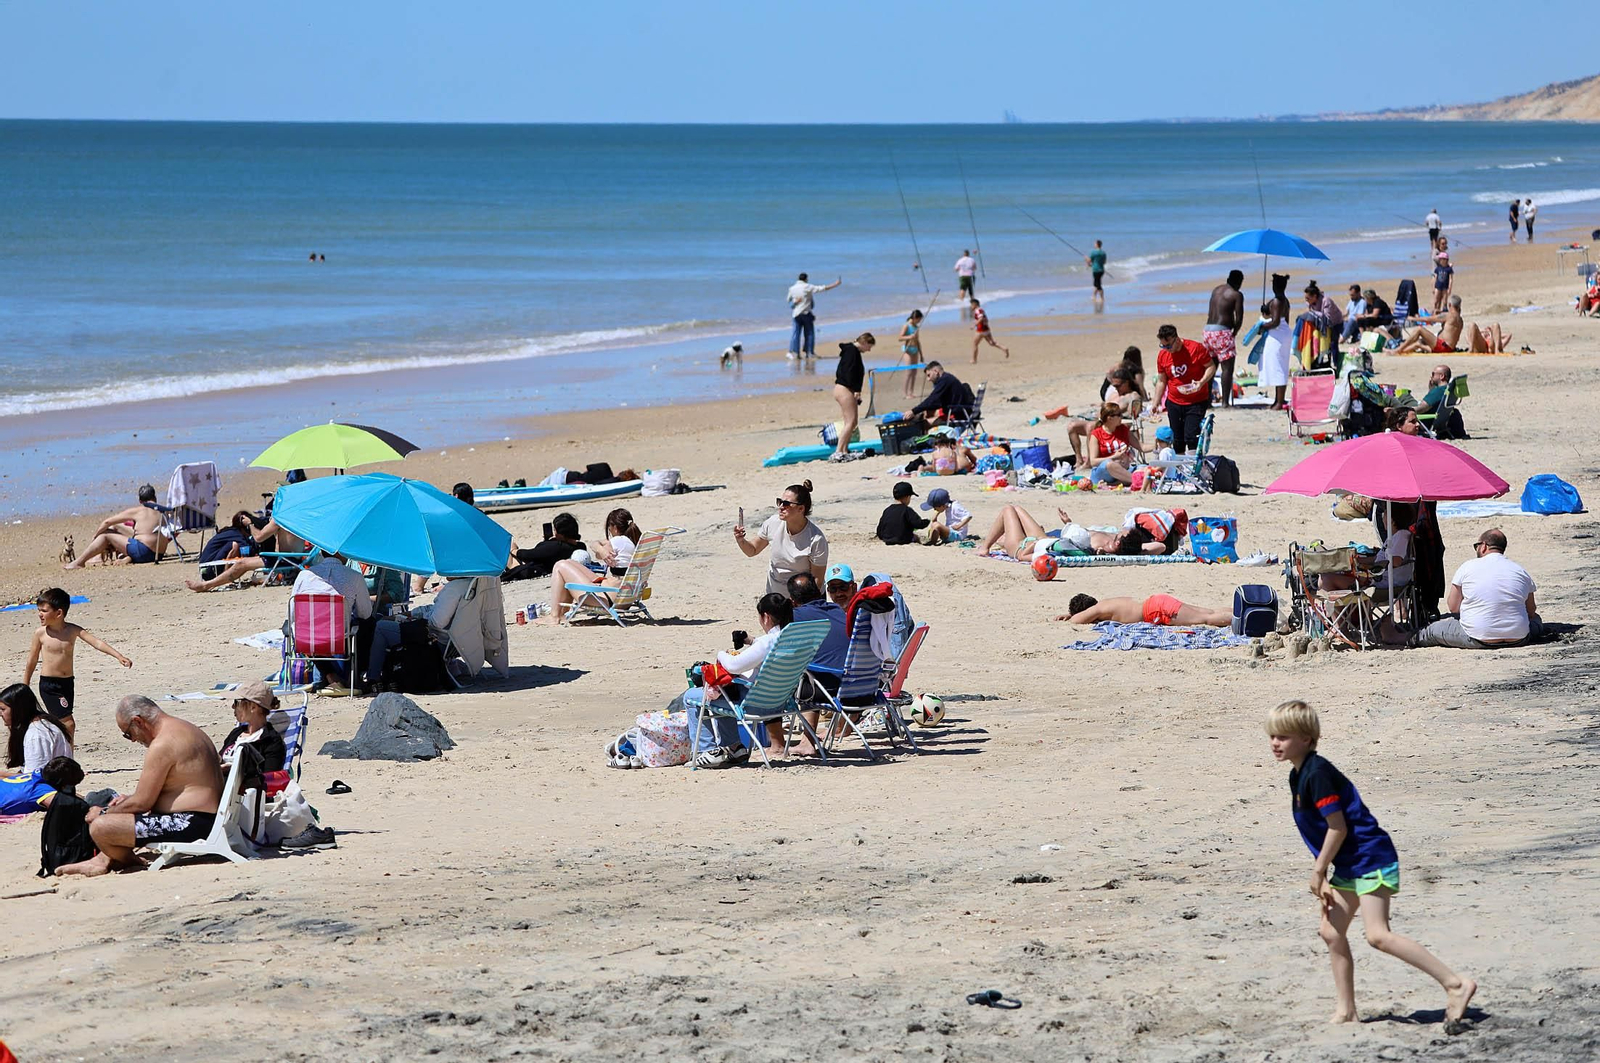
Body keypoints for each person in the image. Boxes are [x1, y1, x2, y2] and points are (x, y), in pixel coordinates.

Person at [1266, 700, 1476, 1028]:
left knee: (1378, 936)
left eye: (1283, 736)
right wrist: (1326, 871)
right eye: (1272, 736)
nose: (1275, 743)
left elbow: (1338, 827)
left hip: (1371, 857)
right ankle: (1347, 1011)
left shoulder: (1317, 773)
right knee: (1331, 932)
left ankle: (1456, 984)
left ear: (1307, 738)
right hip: (1350, 863)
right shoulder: (1298, 774)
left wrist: (1319, 871)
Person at [55, 697, 226, 877]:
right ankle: (102, 860)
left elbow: (142, 803)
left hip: (192, 823)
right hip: (205, 818)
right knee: (119, 811)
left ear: (138, 721)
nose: (132, 740)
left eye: (128, 733)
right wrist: (128, 802)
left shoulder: (162, 744)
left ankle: (127, 860)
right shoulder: (185, 728)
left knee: (100, 827)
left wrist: (104, 813)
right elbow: (174, 787)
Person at [692, 593, 806, 766]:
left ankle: (706, 751)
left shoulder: (767, 642)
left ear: (766, 617)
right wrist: (749, 641)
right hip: (781, 703)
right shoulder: (796, 639)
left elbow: (733, 666)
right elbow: (764, 646)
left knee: (693, 697)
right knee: (724, 694)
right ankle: (734, 748)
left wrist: (721, 654)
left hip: (756, 705)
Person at [23, 587, 131, 743]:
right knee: (68, 724)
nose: (40, 614)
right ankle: (67, 759)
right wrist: (25, 684)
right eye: (39, 610)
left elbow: (97, 643)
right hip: (49, 685)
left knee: (60, 724)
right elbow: (31, 660)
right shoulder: (40, 634)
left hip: (67, 683)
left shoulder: (72, 630)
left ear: (59, 613)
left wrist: (119, 656)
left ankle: (60, 758)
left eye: (44, 611)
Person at [1410, 529, 1541, 648]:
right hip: (1518, 637)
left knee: (1433, 630)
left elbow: (1453, 607)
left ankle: (1404, 639)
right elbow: (1531, 611)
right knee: (1536, 620)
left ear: (1483, 546)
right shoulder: (1520, 570)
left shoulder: (1468, 567)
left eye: (1476, 546)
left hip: (1478, 636)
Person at [536, 508, 642, 624]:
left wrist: (600, 550)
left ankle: (555, 616)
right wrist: (601, 549)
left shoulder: (616, 542)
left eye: (609, 528)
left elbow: (597, 554)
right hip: (625, 598)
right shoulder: (632, 542)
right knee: (570, 563)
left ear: (615, 528)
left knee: (560, 565)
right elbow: (596, 545)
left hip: (607, 599)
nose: (609, 532)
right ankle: (562, 614)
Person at [291, 553, 373, 688]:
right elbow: (365, 613)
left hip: (306, 640)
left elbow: (292, 613)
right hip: (339, 639)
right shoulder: (354, 577)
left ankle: (329, 674)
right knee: (368, 623)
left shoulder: (304, 575)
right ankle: (356, 676)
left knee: (307, 628)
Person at [736, 481, 828, 595]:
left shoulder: (816, 539)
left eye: (786, 504)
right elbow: (752, 550)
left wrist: (801, 604)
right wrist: (741, 540)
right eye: (779, 502)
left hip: (804, 598)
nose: (780, 507)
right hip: (776, 597)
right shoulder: (773, 523)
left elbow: (817, 581)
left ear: (801, 509)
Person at [978, 504, 1152, 559]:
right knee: (1015, 508)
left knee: (1008, 509)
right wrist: (1069, 524)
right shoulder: (1113, 544)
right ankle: (1002, 540)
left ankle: (985, 548)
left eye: (1120, 536)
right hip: (1044, 540)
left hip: (1022, 547)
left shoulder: (1099, 549)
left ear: (1119, 543)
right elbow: (1158, 547)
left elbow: (1158, 547)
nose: (1119, 532)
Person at [63, 485, 170, 568]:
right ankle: (101, 557)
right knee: (116, 527)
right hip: (158, 554)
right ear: (155, 498)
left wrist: (95, 536)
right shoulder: (164, 511)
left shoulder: (138, 511)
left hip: (143, 552)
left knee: (105, 535)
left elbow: (107, 522)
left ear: (140, 501)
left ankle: (79, 562)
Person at [1153, 324, 1215, 453]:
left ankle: (1193, 465)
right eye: (1163, 346)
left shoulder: (1195, 348)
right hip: (1174, 401)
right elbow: (1161, 381)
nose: (1166, 349)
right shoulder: (1163, 355)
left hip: (1196, 400)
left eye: (1168, 345)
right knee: (1177, 439)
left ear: (1176, 339)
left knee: (1191, 436)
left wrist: (1201, 382)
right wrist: (1155, 402)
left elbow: (1211, 367)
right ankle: (1180, 469)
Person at [1, 684, 72, 777]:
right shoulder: (40, 724)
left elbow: (34, 778)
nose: (0, 714)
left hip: (49, 788)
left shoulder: (37, 735)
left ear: (17, 709)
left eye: (3, 709)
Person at [217, 679, 287, 772]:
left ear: (253, 707)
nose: (233, 707)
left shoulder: (271, 741)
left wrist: (236, 771)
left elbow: (269, 778)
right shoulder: (236, 733)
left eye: (237, 702)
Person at [1055, 593, 1230, 626]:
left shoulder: (1098, 609)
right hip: (1157, 601)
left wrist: (1071, 616)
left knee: (1206, 620)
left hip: (1155, 611)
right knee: (1209, 612)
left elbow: (1077, 621)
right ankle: (1243, 610)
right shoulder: (1105, 602)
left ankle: (1246, 618)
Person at [830, 332, 874, 462]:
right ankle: (838, 451)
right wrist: (855, 389)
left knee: (851, 422)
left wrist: (856, 390)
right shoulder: (852, 352)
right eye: (869, 346)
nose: (869, 349)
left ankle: (844, 450)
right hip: (844, 388)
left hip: (844, 388)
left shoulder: (852, 351)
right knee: (850, 422)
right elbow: (848, 372)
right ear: (864, 342)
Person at [504, 512, 585, 581]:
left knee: (507, 548)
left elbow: (529, 555)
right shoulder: (580, 546)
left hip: (529, 570)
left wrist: (513, 550)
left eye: (555, 530)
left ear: (561, 534)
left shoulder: (556, 547)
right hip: (540, 565)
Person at [1204, 270, 1245, 406]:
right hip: (1223, 331)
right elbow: (1239, 318)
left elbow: (1211, 311)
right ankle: (1225, 403)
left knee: (1211, 366)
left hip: (1208, 330)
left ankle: (1207, 400)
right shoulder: (1236, 294)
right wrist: (1234, 332)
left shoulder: (1216, 290)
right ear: (1239, 282)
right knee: (1227, 368)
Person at [1256, 275, 1294, 410]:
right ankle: (1279, 399)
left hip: (1277, 335)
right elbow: (1284, 320)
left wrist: (1262, 327)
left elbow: (1276, 322)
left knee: (1278, 366)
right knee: (1281, 365)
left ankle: (1279, 402)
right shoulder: (1285, 301)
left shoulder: (1277, 301)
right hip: (1285, 333)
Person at [1083, 401, 1141, 486]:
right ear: (1110, 418)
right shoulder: (1096, 434)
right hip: (1103, 472)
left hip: (1124, 469)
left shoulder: (1123, 429)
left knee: (1143, 468)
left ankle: (1116, 483)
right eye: (1119, 415)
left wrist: (1157, 444)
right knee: (1109, 464)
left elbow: (1141, 447)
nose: (1121, 417)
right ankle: (1138, 481)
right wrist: (1114, 457)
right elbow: (1093, 462)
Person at [787, 272, 840, 360]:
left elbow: (789, 300)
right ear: (806, 279)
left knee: (796, 334)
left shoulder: (792, 288)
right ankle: (809, 353)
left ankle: (795, 353)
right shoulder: (807, 286)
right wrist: (835, 284)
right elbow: (822, 288)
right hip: (806, 313)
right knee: (809, 334)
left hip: (796, 314)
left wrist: (795, 302)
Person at [910, 362, 975, 426]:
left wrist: (913, 411)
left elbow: (932, 399)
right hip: (962, 410)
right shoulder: (947, 378)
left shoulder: (945, 380)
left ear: (936, 371)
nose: (928, 379)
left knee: (922, 423)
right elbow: (936, 401)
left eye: (929, 375)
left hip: (959, 414)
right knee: (927, 413)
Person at [1395, 298, 1465, 354]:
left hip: (1443, 347)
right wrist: (1440, 312)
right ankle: (1399, 351)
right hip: (1449, 348)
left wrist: (1413, 318)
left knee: (1419, 329)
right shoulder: (1460, 319)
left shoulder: (1448, 316)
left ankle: (1399, 349)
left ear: (1450, 305)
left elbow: (1428, 319)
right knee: (1420, 342)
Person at [896, 310, 924, 400]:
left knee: (914, 372)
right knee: (908, 372)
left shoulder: (916, 327)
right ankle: (905, 392)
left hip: (915, 350)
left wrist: (921, 354)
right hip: (908, 351)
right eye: (919, 320)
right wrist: (909, 336)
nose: (919, 322)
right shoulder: (906, 325)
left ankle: (911, 392)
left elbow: (918, 341)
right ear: (915, 318)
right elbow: (900, 338)